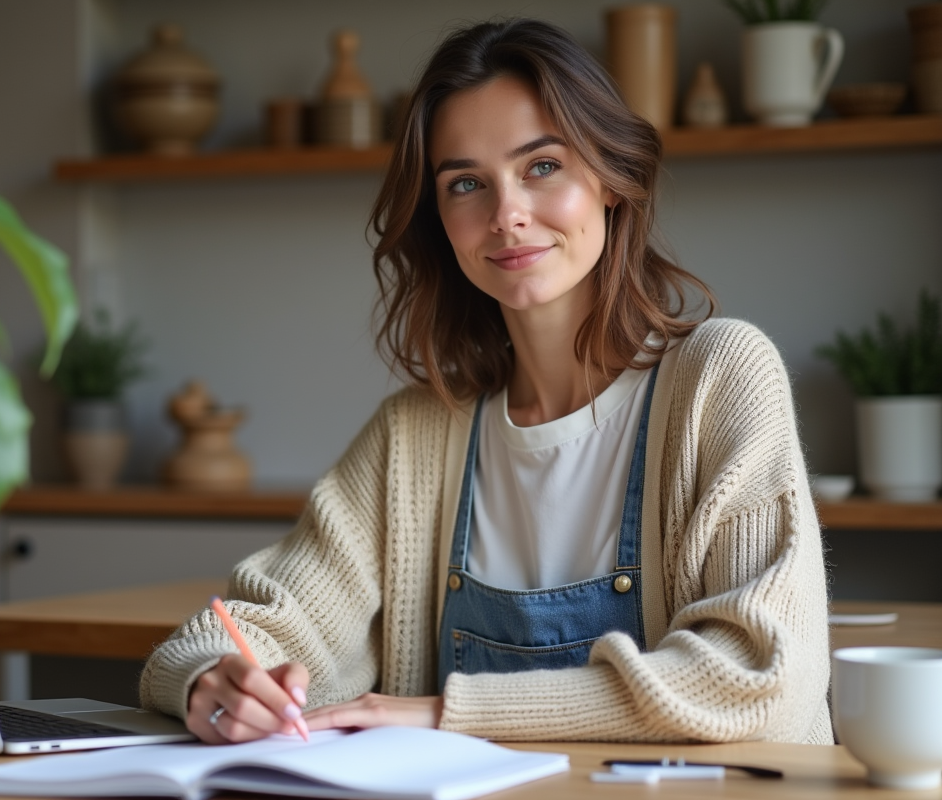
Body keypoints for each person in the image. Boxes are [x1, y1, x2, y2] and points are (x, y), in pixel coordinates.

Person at [139, 18, 832, 746]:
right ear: (440, 222)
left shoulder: (721, 378)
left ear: (610, 182)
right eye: (466, 183)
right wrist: (213, 682)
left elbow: (763, 680)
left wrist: (443, 713)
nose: (506, 216)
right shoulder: (414, 434)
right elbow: (252, 632)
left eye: (542, 167)